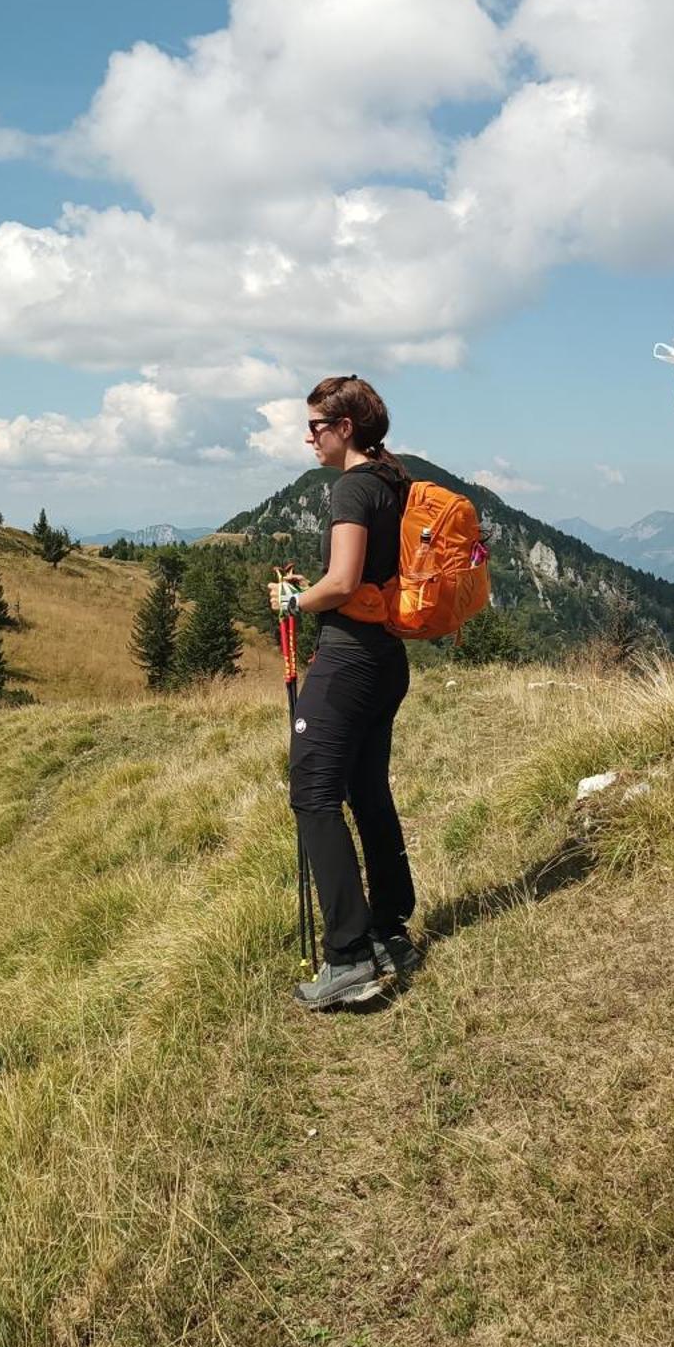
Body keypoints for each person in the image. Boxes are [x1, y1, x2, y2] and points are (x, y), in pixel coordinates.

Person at [268, 374, 421, 1009]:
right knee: (366, 790)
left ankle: (349, 955)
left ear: (345, 428)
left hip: (349, 660)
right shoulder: (395, 480)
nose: (309, 437)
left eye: (316, 425)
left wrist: (294, 599)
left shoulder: (353, 489)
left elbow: (342, 581)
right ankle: (390, 929)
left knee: (312, 795)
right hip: (386, 658)